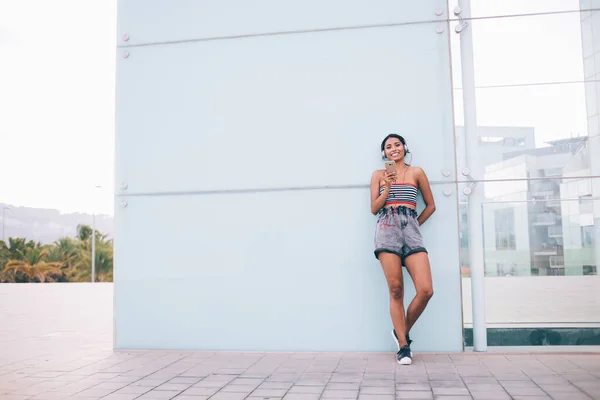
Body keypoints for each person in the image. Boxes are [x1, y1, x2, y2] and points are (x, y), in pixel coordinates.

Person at [370, 134, 436, 365]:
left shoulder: (417, 172)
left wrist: (414, 223)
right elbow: (374, 208)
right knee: (396, 289)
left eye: (397, 145)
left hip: (411, 230)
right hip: (386, 228)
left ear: (405, 147)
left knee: (426, 290)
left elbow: (431, 205)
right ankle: (404, 346)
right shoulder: (379, 175)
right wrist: (386, 187)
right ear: (384, 153)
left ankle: (400, 332)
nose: (393, 149)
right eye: (388, 147)